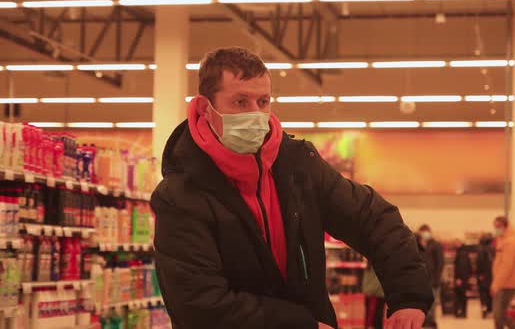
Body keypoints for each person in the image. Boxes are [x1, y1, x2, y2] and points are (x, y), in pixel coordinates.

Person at [151, 47, 434, 329]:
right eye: (240, 102)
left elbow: (372, 218)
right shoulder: (180, 196)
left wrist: (408, 295)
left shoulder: (298, 165)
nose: (256, 114)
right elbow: (198, 305)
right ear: (205, 108)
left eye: (263, 101)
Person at [491, 216, 515, 329]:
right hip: (505, 284)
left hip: (506, 285)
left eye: (498, 226)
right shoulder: (504, 240)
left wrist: (496, 285)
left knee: (499, 315)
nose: (496, 229)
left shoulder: (510, 242)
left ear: (505, 226)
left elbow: (506, 266)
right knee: (503, 315)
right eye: (495, 226)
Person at [417, 225, 444, 328]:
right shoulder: (417, 245)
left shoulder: (435, 245)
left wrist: (436, 279)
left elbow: (440, 263)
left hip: (433, 282)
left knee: (431, 305)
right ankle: (423, 323)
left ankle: (430, 323)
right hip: (420, 282)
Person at [362, 264, 385, 329]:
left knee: (374, 319)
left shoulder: (370, 264)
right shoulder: (377, 264)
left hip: (375, 294)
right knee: (373, 320)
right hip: (374, 294)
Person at [477, 234, 494, 318]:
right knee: (491, 294)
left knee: (483, 295)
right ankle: (490, 310)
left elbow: (479, 263)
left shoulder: (481, 250)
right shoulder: (493, 249)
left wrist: (480, 274)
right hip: (493, 276)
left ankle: (484, 311)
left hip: (483, 276)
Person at [453, 240, 472, 318]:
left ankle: (461, 313)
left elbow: (462, 267)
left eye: (456, 242)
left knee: (460, 296)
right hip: (464, 278)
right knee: (463, 296)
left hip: (461, 279)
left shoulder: (462, 253)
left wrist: (459, 278)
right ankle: (463, 313)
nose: (455, 243)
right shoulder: (463, 252)